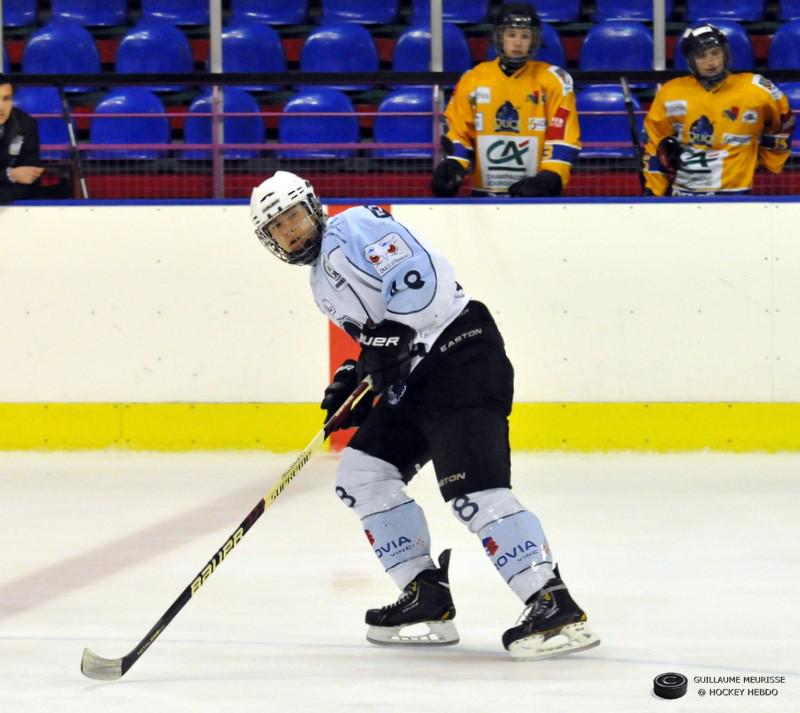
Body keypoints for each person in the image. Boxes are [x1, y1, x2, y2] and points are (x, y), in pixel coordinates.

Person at [249, 170, 600, 660]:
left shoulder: (355, 226)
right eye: (278, 227)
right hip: (417, 381)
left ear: (312, 208)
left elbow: (423, 278)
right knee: (362, 474)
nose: (290, 230)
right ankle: (425, 595)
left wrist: (392, 337)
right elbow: (379, 338)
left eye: (293, 217)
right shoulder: (318, 284)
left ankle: (551, 601)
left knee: (474, 492)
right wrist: (356, 375)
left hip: (461, 355)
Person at [431, 3, 581, 198]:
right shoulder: (474, 78)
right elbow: (458, 131)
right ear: (499, 37)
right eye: (511, 35)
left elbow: (563, 134)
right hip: (485, 194)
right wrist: (454, 164)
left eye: (525, 36)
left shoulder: (554, 80)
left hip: (535, 196)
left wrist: (551, 176)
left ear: (534, 40)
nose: (517, 43)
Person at [643, 24, 795, 196]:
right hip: (683, 196)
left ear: (725, 53)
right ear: (691, 60)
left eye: (715, 53)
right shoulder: (670, 92)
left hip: (735, 196)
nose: (711, 62)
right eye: (701, 56)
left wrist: (768, 159)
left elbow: (785, 120)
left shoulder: (757, 89)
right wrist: (654, 189)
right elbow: (655, 143)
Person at [0, 73, 44, 204]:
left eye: (6, 99)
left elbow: (29, 176)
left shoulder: (26, 124)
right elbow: (17, 175)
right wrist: (10, 174)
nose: (1, 107)